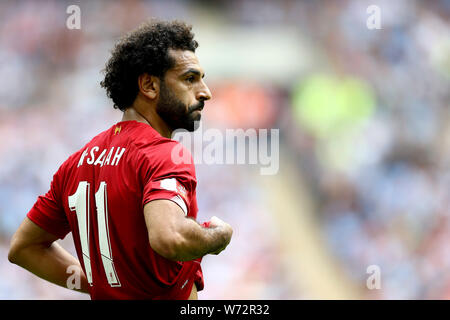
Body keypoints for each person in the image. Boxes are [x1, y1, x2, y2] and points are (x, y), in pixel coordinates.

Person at [8, 19, 233, 300]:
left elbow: (24, 248)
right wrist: (218, 237)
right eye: (190, 79)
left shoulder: (76, 163)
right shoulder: (163, 154)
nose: (205, 92)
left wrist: (100, 284)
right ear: (149, 85)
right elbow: (169, 237)